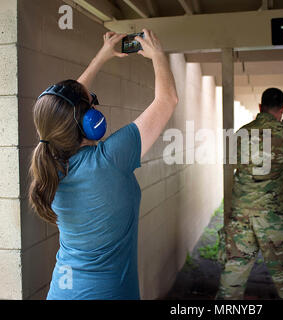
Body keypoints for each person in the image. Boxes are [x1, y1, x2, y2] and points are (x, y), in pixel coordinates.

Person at [28, 30, 178, 300]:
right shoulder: (110, 158)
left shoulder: (48, 159)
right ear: (90, 124)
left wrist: (103, 55)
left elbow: (62, 106)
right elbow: (167, 100)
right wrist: (158, 56)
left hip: (61, 292)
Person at [216, 88, 283, 300]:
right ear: (282, 108)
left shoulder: (241, 132)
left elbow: (232, 162)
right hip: (274, 216)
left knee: (234, 272)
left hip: (242, 213)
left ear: (260, 107)